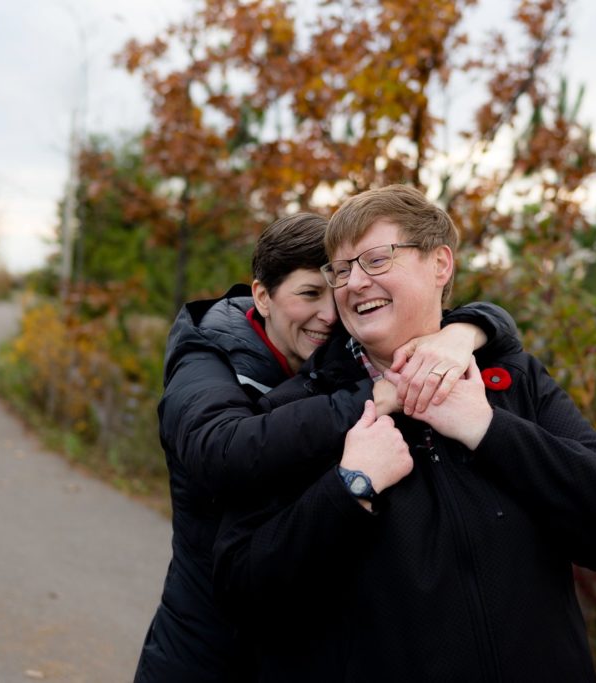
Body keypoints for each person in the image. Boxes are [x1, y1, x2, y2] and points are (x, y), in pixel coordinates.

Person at [213, 186, 596, 682]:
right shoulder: (300, 413)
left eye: (376, 260)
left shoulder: (510, 381)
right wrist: (349, 488)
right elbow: (240, 590)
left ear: (439, 264)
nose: (354, 283)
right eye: (341, 270)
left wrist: (488, 429)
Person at [133, 212, 519, 682]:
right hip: (211, 649)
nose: (330, 315)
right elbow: (222, 450)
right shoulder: (206, 359)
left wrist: (466, 333)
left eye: (333, 291)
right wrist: (373, 397)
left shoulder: (336, 360)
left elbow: (460, 318)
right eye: (308, 294)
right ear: (262, 297)